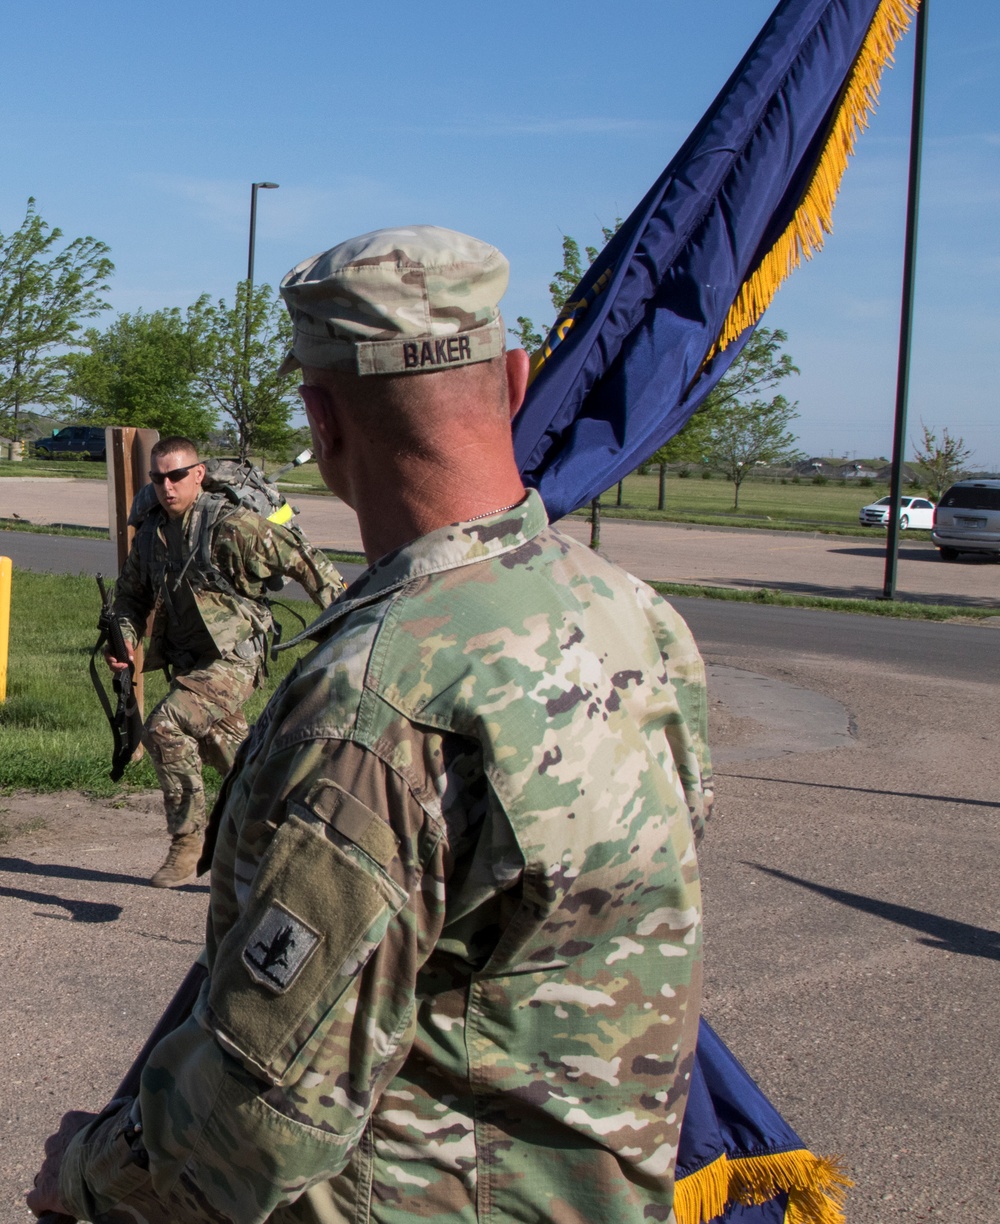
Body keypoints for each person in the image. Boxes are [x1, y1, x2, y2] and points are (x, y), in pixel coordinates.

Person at [30, 226, 713, 1223]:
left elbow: (262, 1109)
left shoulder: (381, 697)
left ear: (323, 417)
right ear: (515, 381)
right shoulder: (634, 617)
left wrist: (89, 1170)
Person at [104, 435, 345, 888]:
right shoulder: (153, 534)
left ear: (198, 474)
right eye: (158, 478)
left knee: (166, 726)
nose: (166, 486)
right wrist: (125, 641)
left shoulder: (231, 526)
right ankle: (298, 835)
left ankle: (187, 843)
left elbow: (304, 560)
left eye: (176, 476)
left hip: (236, 657)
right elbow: (130, 598)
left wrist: (348, 622)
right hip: (192, 662)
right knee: (237, 759)